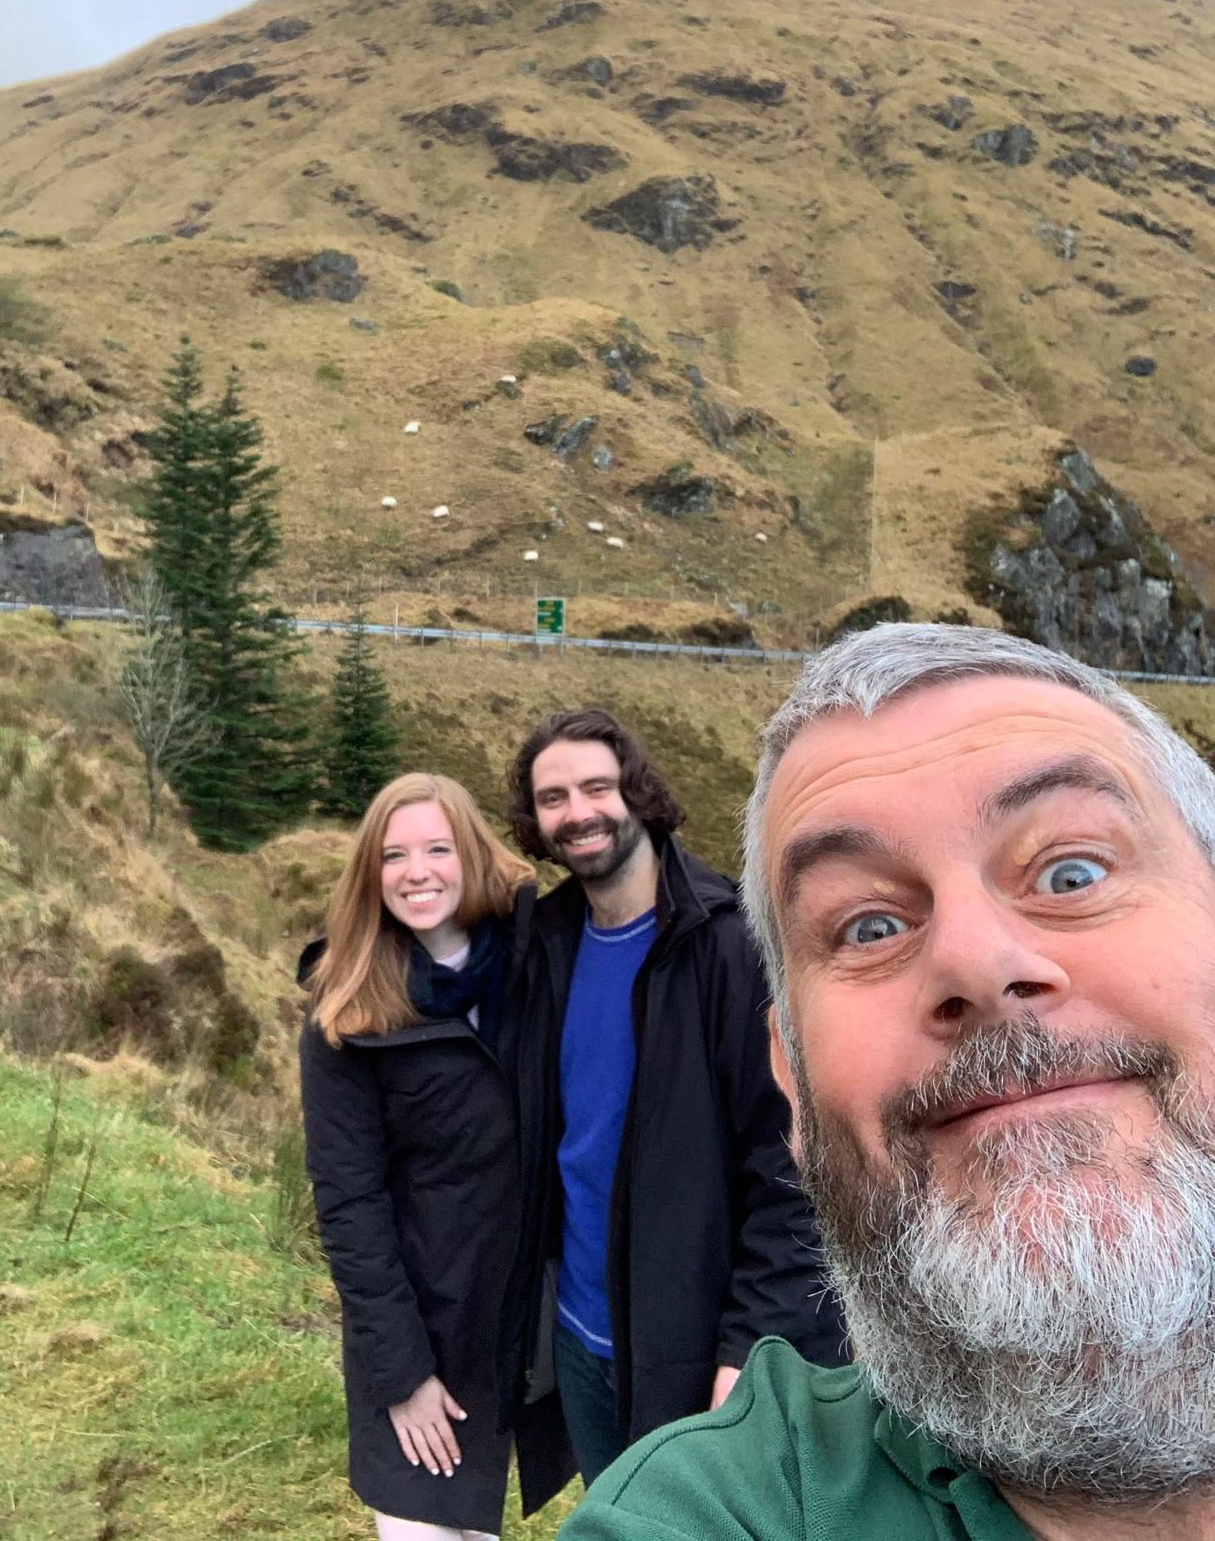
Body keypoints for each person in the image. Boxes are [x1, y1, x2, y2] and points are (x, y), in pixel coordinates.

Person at [562, 623, 1215, 1541]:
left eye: (1073, 871)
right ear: (789, 1076)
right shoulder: (713, 1512)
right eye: (868, 928)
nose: (976, 963)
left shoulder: (693, 936)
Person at [500, 710, 846, 1489]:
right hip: (581, 1341)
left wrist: (750, 1354)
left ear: (639, 792)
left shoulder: (730, 945)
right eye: (552, 797)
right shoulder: (547, 940)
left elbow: (793, 1172)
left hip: (695, 1357)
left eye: (597, 786)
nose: (578, 811)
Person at [298, 772, 572, 1541]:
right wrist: (404, 1375)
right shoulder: (346, 1014)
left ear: (471, 855)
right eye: (394, 855)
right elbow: (349, 1207)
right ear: (370, 873)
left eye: (437, 849)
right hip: (417, 1329)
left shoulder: (537, 961)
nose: (417, 872)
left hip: (527, 1324)